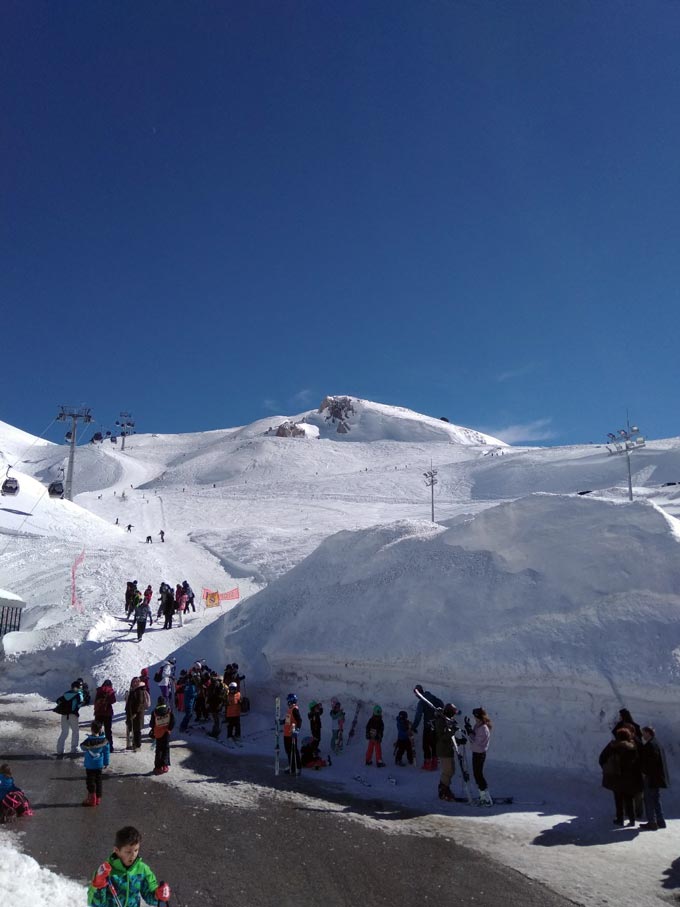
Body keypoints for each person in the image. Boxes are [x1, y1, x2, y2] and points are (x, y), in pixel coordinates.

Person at [87, 825, 171, 907]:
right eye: (128, 852)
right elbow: (94, 903)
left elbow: (149, 895)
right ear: (116, 850)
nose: (133, 855)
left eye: (136, 850)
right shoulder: (106, 872)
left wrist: (158, 895)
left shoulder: (142, 869)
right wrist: (99, 885)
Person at [599, 727, 643, 827]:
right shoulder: (633, 747)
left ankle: (620, 819)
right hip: (630, 778)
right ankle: (632, 820)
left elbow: (602, 758)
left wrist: (607, 768)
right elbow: (638, 762)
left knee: (618, 799)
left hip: (616, 777)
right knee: (629, 799)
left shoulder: (612, 746)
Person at [639, 726, 668, 830]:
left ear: (648, 733)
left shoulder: (651, 745)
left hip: (651, 778)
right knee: (656, 799)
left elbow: (651, 763)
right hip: (657, 777)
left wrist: (645, 772)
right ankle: (661, 821)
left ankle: (652, 822)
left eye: (643, 733)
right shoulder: (657, 743)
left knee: (648, 799)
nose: (642, 735)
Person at [413, 684, 443, 770]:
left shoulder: (422, 702)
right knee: (434, 745)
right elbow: (441, 704)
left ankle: (427, 764)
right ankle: (434, 763)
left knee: (425, 745)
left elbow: (418, 716)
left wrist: (414, 727)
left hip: (428, 726)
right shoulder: (433, 697)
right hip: (436, 725)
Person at [466, 707, 493, 805]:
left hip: (479, 753)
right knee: (477, 774)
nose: (474, 719)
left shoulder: (483, 728)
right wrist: (469, 728)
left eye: (475, 717)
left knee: (478, 775)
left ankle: (485, 797)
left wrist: (469, 732)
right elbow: (474, 736)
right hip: (476, 752)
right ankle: (483, 795)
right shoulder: (478, 725)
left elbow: (476, 742)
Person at [80, 720, 110, 806]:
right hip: (99, 765)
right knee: (99, 781)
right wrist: (106, 762)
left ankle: (92, 797)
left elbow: (82, 747)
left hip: (90, 765)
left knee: (90, 781)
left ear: (91, 729)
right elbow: (106, 752)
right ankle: (98, 798)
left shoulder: (88, 741)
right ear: (100, 729)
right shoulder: (104, 741)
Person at [56, 680, 86, 758]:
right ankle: (74, 748)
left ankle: (59, 750)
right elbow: (80, 703)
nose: (81, 687)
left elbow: (58, 701)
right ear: (77, 687)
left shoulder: (67, 694)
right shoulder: (79, 694)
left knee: (64, 732)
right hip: (73, 715)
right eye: (80, 686)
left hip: (64, 715)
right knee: (75, 731)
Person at [434, 703, 458, 801]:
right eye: (453, 713)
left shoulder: (448, 720)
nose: (453, 715)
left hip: (448, 749)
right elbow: (442, 737)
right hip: (443, 749)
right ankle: (443, 790)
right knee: (448, 771)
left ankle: (445, 788)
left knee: (452, 770)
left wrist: (458, 740)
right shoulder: (440, 721)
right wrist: (452, 730)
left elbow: (449, 736)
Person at [150, 698, 175, 774]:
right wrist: (169, 729)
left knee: (159, 750)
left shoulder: (154, 712)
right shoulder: (169, 710)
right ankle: (165, 766)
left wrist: (154, 729)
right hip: (166, 732)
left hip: (158, 733)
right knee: (165, 749)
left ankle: (157, 767)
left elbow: (152, 724)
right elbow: (173, 721)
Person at [125, 677, 150, 751]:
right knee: (133, 729)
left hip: (137, 714)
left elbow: (140, 703)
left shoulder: (140, 690)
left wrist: (135, 713)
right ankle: (134, 744)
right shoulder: (133, 690)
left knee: (137, 730)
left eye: (136, 682)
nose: (135, 683)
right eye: (133, 682)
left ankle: (138, 746)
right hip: (132, 713)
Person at [93, 680, 117, 752]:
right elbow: (113, 700)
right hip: (107, 713)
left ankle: (98, 746)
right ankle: (109, 747)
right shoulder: (110, 690)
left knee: (97, 730)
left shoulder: (99, 690)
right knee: (108, 731)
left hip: (98, 713)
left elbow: (96, 701)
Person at [283, 693, 302, 774]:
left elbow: (299, 720)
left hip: (291, 734)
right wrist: (280, 721)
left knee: (293, 752)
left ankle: (297, 767)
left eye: (288, 700)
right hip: (286, 735)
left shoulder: (294, 709)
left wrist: (297, 730)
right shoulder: (290, 710)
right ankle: (292, 767)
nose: (287, 702)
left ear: (291, 701)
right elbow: (287, 721)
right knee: (288, 752)